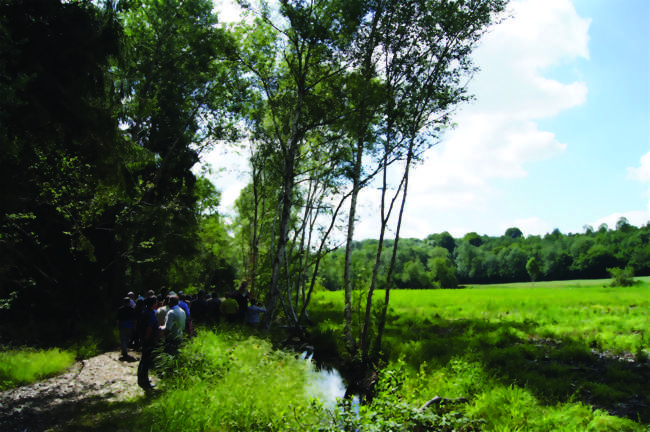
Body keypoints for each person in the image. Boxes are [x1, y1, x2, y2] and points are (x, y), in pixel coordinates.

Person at [137, 296, 159, 393]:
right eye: (156, 302)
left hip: (144, 338)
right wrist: (147, 338)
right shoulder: (150, 314)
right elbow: (149, 327)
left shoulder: (144, 311)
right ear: (153, 304)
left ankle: (141, 378)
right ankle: (145, 381)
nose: (157, 304)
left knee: (143, 359)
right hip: (149, 339)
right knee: (146, 360)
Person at [116, 297, 137, 361]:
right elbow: (135, 319)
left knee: (123, 339)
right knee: (128, 338)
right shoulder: (132, 309)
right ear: (129, 302)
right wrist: (134, 326)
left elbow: (117, 319)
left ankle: (124, 350)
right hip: (129, 325)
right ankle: (125, 350)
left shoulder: (120, 309)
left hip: (122, 325)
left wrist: (118, 325)